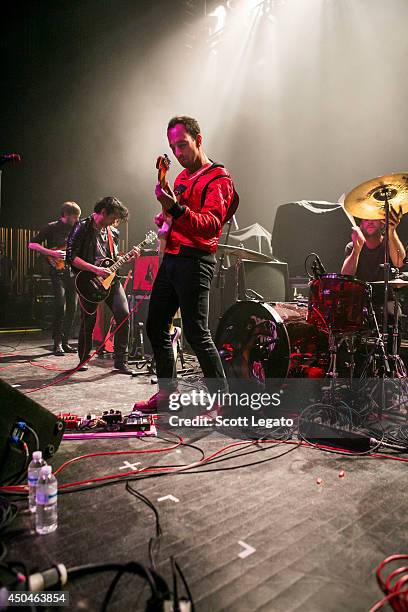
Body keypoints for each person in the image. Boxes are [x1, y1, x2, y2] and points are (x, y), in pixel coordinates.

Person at [134, 115, 239, 412]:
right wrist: (165, 216)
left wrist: (175, 209)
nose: (178, 153)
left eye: (183, 145)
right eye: (173, 147)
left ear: (199, 140)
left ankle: (223, 401)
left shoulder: (219, 179)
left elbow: (210, 225)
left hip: (196, 260)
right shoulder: (179, 178)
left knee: (195, 332)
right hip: (173, 259)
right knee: (155, 325)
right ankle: (168, 393)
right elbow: (175, 216)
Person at [66, 196, 139, 374]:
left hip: (110, 280)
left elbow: (111, 260)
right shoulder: (82, 227)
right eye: (113, 217)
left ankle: (120, 361)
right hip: (87, 281)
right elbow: (71, 257)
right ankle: (83, 359)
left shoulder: (113, 232)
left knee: (123, 315)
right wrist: (95, 270)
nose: (115, 222)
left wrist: (127, 258)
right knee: (88, 321)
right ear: (103, 212)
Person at [29, 201, 81, 355]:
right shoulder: (52, 227)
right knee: (60, 306)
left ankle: (65, 342)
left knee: (73, 307)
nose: (77, 220)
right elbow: (32, 245)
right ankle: (56, 343)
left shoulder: (77, 229)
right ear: (65, 215)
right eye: (75, 217)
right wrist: (52, 253)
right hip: (57, 271)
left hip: (73, 272)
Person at [341, 212, 405, 281]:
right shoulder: (352, 246)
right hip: (362, 291)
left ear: (382, 223)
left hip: (385, 290)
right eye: (366, 219)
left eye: (374, 218)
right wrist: (356, 250)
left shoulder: (390, 244)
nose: (370, 222)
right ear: (361, 225)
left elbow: (400, 263)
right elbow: (346, 275)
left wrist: (391, 230)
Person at [0, 241, 16, 325]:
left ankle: (3, 321)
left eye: (2, 248)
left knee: (4, 303)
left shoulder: (7, 259)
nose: (1, 249)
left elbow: (15, 271)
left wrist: (11, 282)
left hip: (5, 284)